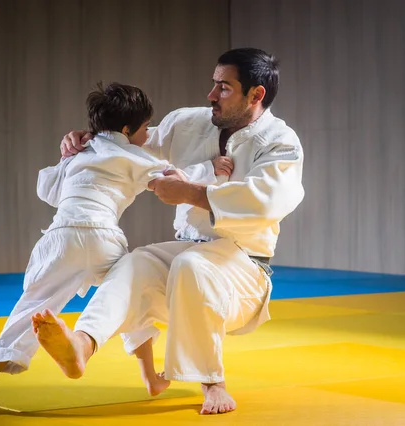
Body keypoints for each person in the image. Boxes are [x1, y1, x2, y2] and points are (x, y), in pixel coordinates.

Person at [32, 47, 305, 415]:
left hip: (242, 270)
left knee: (193, 265)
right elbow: (129, 140)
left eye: (224, 88)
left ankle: (213, 382)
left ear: (256, 95)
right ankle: (82, 344)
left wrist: (192, 192)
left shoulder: (280, 143)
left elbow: (268, 201)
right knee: (135, 262)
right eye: (213, 84)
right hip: (187, 256)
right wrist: (90, 139)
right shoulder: (188, 123)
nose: (211, 95)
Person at [0, 82, 196, 412]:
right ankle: (150, 376)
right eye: (146, 127)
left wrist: (67, 159)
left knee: (29, 307)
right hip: (102, 236)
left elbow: (49, 191)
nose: (148, 135)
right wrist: (206, 173)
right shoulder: (132, 154)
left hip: (60, 237)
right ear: (127, 128)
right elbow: (170, 181)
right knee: (130, 296)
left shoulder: (78, 152)